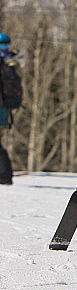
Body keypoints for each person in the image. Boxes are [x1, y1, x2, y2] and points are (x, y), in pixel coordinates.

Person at [0, 32, 20, 185]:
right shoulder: (10, 60)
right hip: (5, 109)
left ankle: (4, 175)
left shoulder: (4, 62)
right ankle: (4, 174)